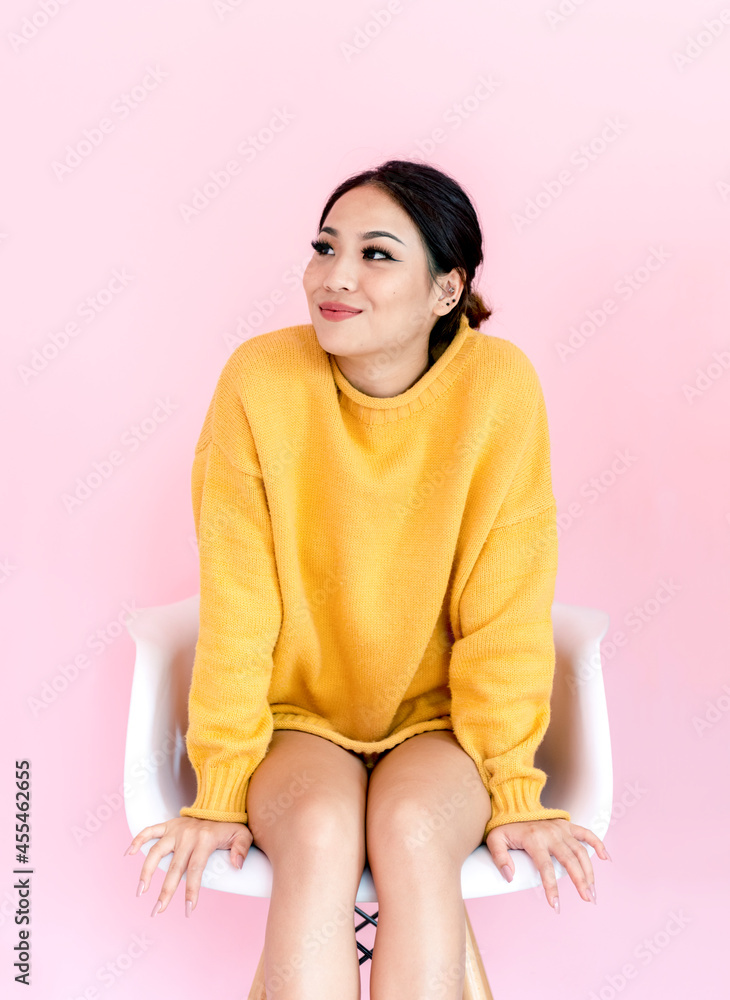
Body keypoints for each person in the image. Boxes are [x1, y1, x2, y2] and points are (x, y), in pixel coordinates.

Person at [124, 159, 610, 998]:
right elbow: (239, 605)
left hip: (441, 723)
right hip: (295, 718)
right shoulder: (261, 381)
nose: (334, 277)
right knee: (316, 833)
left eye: (377, 254)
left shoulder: (498, 390)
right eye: (324, 247)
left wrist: (514, 786)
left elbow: (506, 609)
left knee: (415, 830)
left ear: (446, 290)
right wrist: (222, 784)